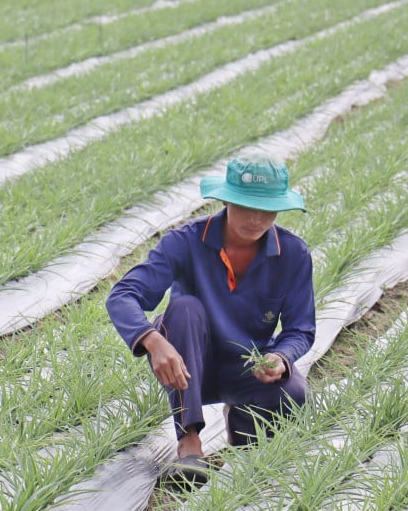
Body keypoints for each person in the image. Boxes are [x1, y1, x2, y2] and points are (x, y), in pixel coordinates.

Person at [106, 152, 315, 483]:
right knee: (186, 307)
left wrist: (281, 356)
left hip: (246, 367)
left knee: (294, 394)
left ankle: (242, 427)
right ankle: (189, 443)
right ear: (227, 200)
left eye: (267, 209)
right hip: (186, 363)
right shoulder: (185, 241)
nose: (256, 219)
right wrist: (153, 340)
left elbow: (300, 329)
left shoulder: (293, 254)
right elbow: (123, 295)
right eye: (246, 205)